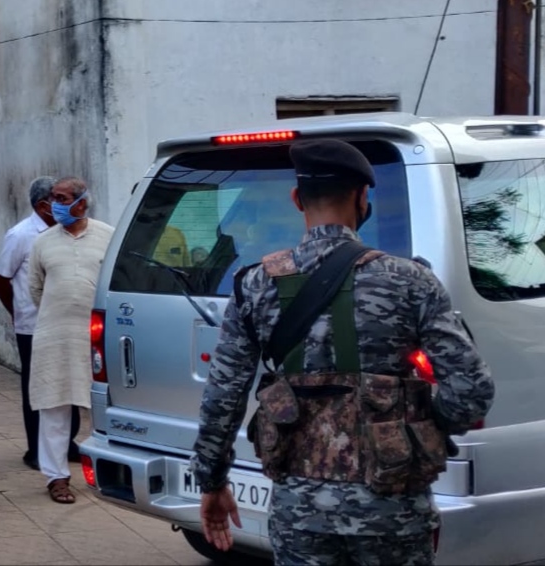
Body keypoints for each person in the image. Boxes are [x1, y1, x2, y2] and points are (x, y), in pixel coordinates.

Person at [191, 139, 495, 565]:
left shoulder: (256, 285)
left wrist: (211, 481)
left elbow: (222, 397)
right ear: (362, 197)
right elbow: (472, 391)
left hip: (301, 513)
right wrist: (415, 427)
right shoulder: (410, 281)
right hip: (394, 509)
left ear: (298, 199)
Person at [28, 176, 115, 504]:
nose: (55, 204)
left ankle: (106, 470)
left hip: (95, 336)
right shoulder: (43, 242)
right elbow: (35, 288)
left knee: (101, 404)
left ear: (82, 202)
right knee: (54, 405)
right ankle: (56, 477)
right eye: (53, 198)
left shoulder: (107, 236)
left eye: (62, 198)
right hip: (54, 335)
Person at [0, 176, 81, 471]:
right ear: (43, 205)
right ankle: (35, 448)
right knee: (38, 387)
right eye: (56, 200)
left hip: (67, 324)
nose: (60, 205)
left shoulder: (68, 232)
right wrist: (16, 312)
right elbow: (1, 278)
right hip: (32, 325)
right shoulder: (20, 235)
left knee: (69, 383)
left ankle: (67, 443)